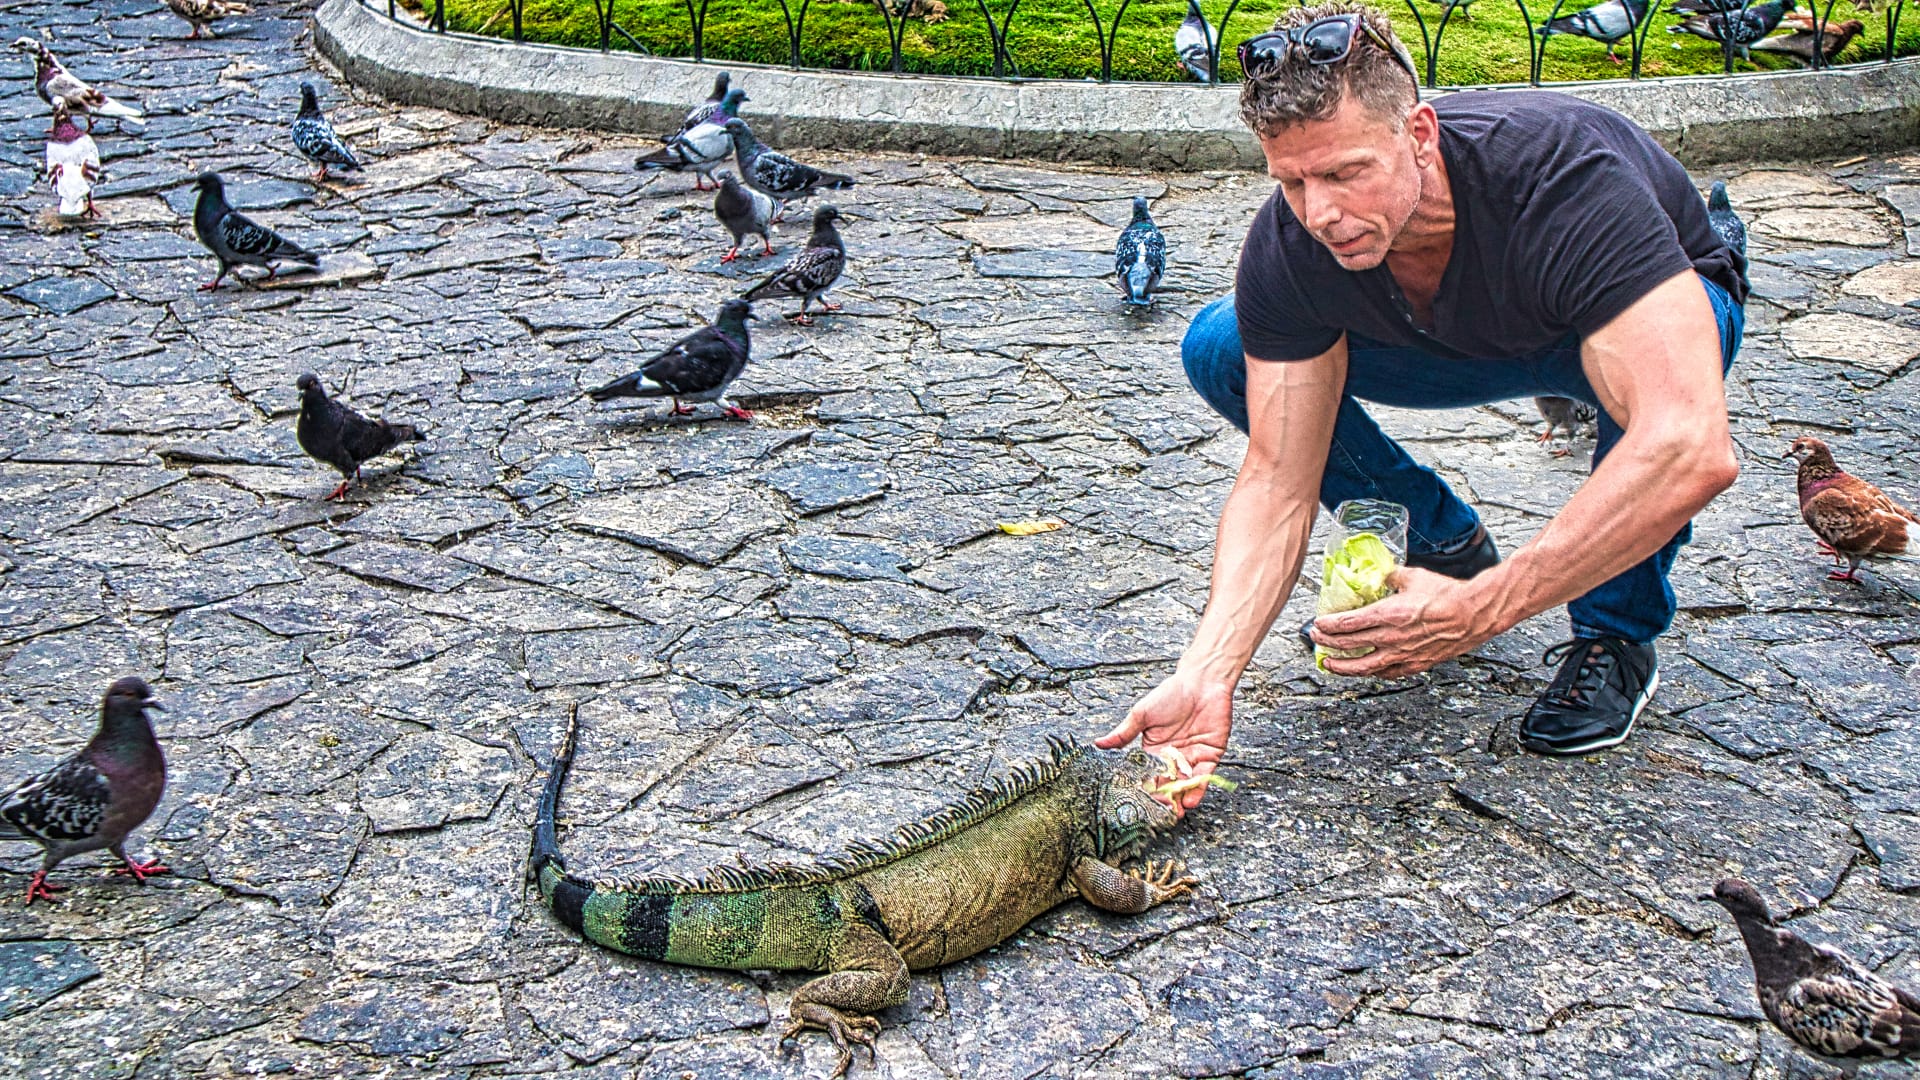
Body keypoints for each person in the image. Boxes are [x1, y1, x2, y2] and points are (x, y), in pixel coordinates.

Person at [1098, 1, 1746, 806]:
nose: (1321, 212)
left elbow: (1689, 444)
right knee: (1224, 346)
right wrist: (1206, 672)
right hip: (1438, 333)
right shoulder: (1293, 242)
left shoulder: (1560, 175)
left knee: (1659, 402)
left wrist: (1482, 613)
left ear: (1421, 136)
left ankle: (1614, 634)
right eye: (1293, 180)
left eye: (1343, 172)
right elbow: (1276, 483)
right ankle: (1441, 543)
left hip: (1610, 320)